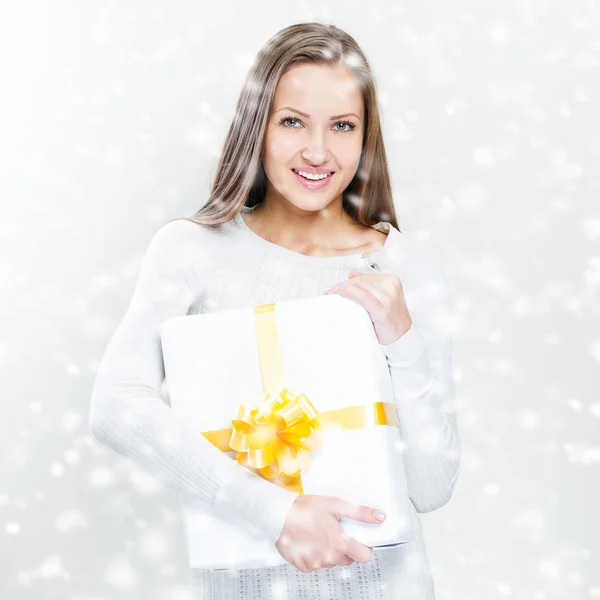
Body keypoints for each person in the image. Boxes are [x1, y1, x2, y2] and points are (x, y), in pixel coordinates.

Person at [89, 22, 461, 600]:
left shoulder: (404, 268)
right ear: (257, 127)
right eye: (293, 121)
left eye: (342, 126)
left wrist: (402, 340)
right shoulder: (193, 250)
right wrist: (276, 512)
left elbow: (432, 486)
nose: (318, 152)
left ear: (367, 137)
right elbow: (115, 404)